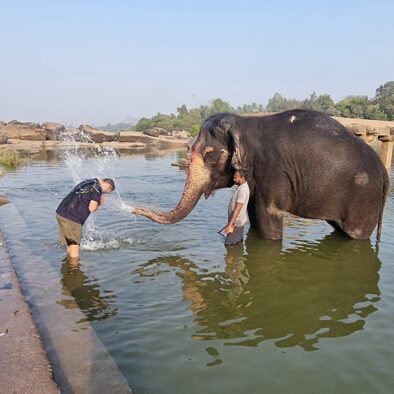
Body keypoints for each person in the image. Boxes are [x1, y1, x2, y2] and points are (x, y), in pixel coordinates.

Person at [56, 178, 115, 261]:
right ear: (108, 189)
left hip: (61, 214)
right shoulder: (98, 189)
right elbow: (92, 208)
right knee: (75, 247)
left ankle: (68, 265)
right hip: (72, 219)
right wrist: (100, 203)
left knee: (70, 245)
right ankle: (74, 270)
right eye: (106, 193)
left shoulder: (89, 181)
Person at [223, 170, 250, 245]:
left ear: (242, 178)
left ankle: (231, 256)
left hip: (236, 223)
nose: (234, 179)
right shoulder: (242, 187)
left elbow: (238, 208)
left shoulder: (243, 190)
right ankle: (237, 255)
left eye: (236, 178)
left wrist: (230, 225)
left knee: (228, 244)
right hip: (238, 221)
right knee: (237, 242)